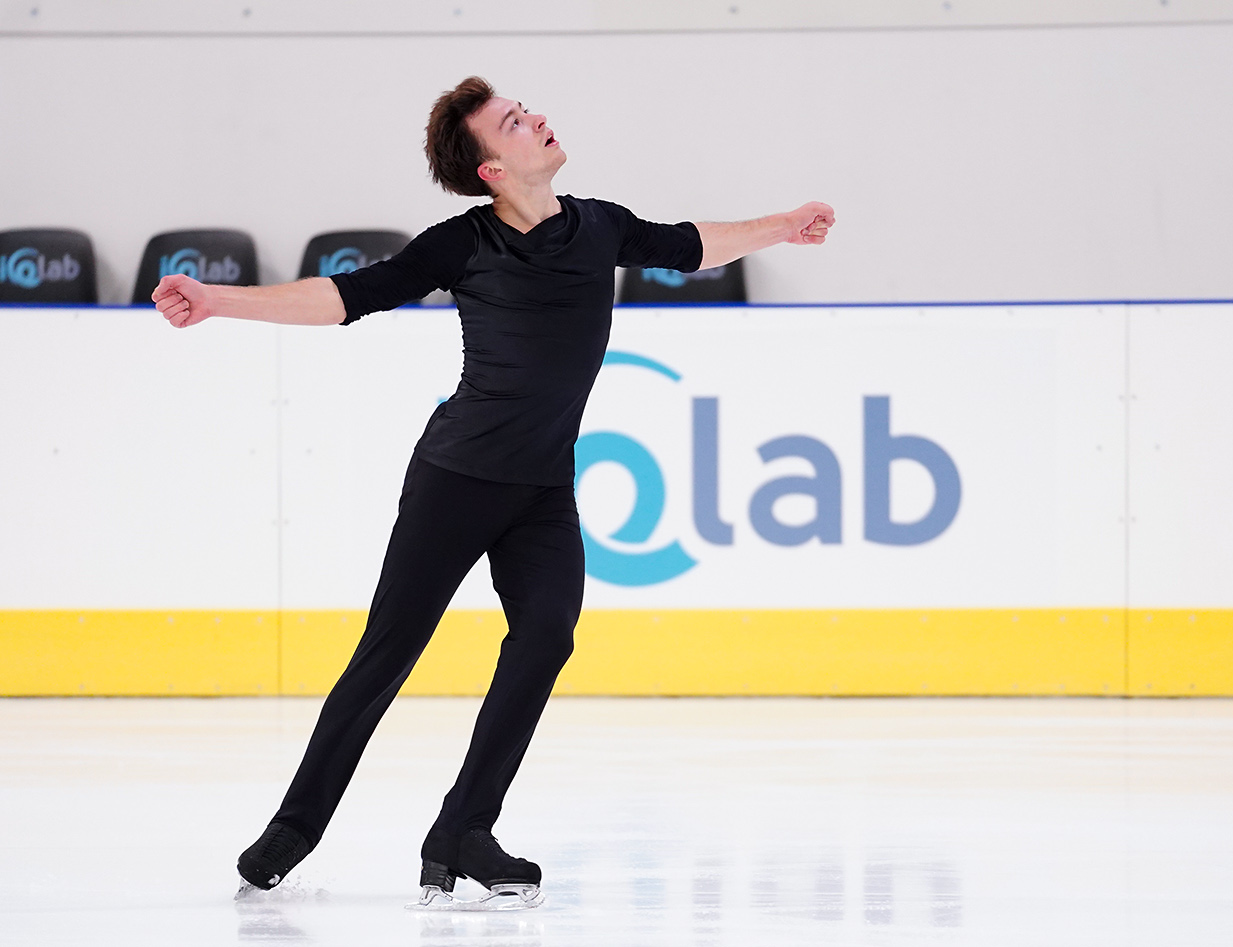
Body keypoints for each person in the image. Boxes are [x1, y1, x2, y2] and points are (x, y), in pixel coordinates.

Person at [152, 75, 834, 908]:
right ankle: (293, 830)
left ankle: (463, 830)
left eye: (526, 109)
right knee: (387, 655)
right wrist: (216, 300)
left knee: (546, 635)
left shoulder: (599, 226)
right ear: (492, 171)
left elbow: (693, 243)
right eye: (514, 121)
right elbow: (346, 297)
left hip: (543, 487)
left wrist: (783, 224)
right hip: (456, 479)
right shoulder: (461, 243)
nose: (536, 117)